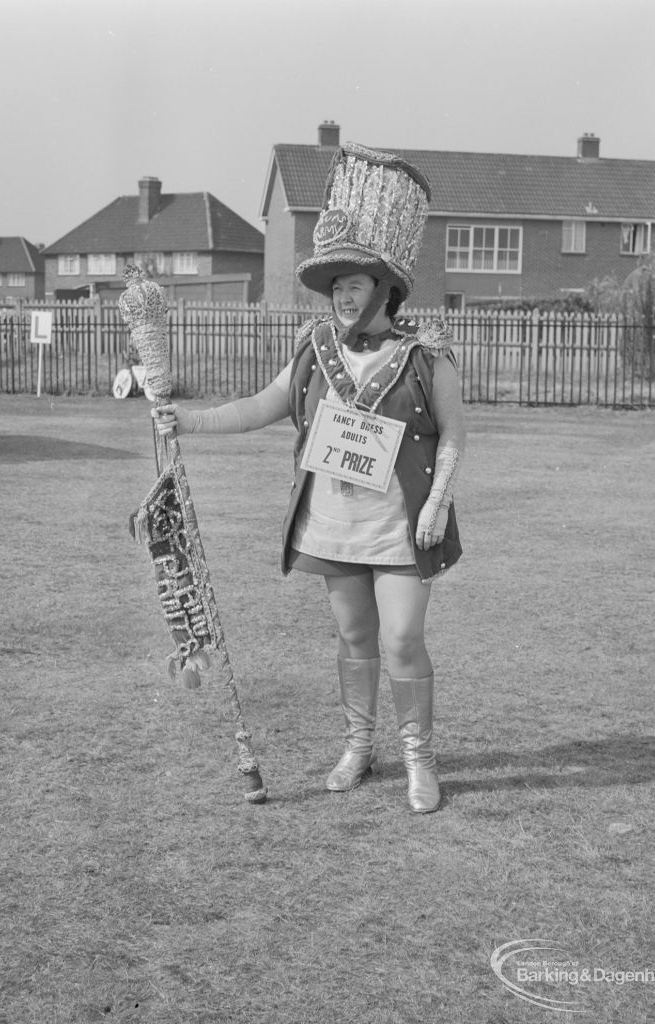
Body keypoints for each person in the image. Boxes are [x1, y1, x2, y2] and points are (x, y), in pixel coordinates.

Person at [153, 143, 465, 813]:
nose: (342, 294)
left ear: (386, 287)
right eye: (336, 284)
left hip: (402, 526)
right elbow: (262, 407)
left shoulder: (426, 358)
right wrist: (187, 421)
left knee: (402, 637)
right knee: (354, 638)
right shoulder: (313, 346)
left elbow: (454, 439)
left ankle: (419, 759)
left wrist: (437, 502)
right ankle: (358, 746)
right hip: (332, 520)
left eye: (354, 281)